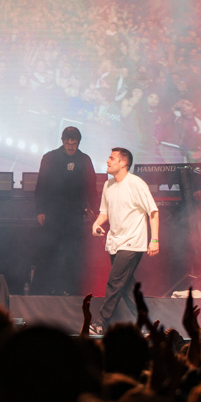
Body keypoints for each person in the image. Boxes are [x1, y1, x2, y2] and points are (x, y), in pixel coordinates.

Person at [91, 147, 159, 334]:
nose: (107, 161)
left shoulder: (136, 184)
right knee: (126, 287)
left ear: (123, 163)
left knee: (114, 281)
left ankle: (100, 322)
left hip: (132, 243)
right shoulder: (108, 185)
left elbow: (153, 211)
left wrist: (154, 240)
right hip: (115, 243)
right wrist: (96, 224)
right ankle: (146, 323)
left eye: (112, 158)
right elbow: (104, 212)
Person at [33, 126, 100, 295]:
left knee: (73, 252)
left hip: (74, 213)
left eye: (74, 144)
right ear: (62, 142)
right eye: (68, 144)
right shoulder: (49, 158)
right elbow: (41, 185)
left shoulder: (84, 160)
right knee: (49, 251)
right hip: (52, 212)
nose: (71, 147)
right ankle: (43, 290)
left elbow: (91, 187)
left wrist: (95, 209)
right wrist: (40, 210)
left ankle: (71, 289)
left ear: (78, 143)